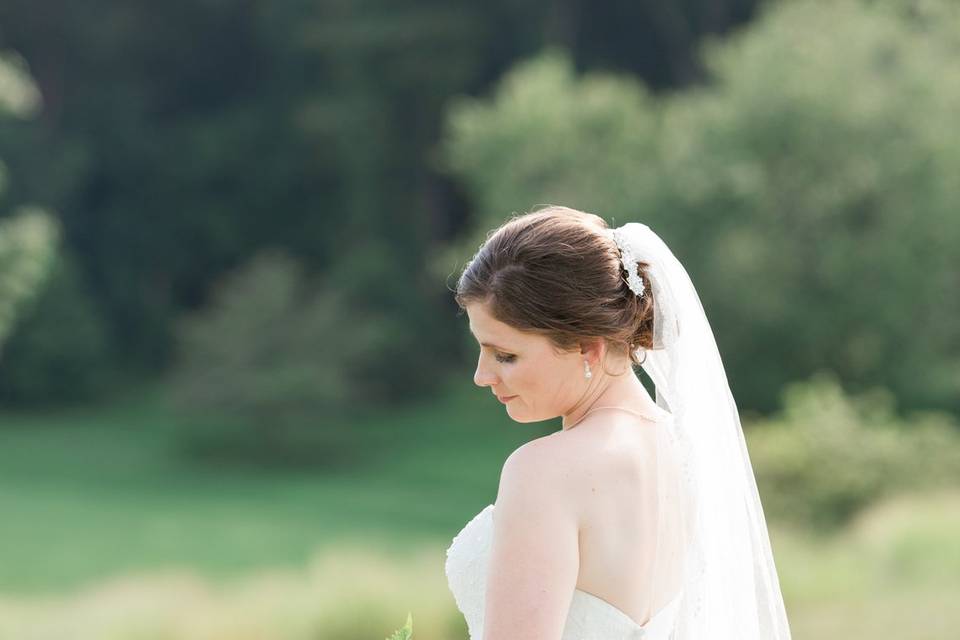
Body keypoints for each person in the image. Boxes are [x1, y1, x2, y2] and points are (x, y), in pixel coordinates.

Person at [444, 206, 793, 640]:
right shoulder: (686, 451)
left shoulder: (544, 471)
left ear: (588, 348)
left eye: (506, 355)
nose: (482, 375)